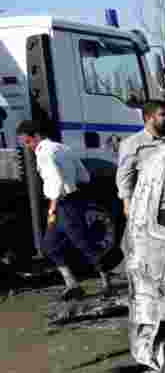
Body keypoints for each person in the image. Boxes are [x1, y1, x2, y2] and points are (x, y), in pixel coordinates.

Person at [17, 120, 111, 300]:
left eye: (28, 142)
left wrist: (52, 207)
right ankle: (72, 284)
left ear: (36, 137)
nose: (27, 147)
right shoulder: (63, 148)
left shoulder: (43, 153)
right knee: (50, 245)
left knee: (82, 243)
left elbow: (56, 182)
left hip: (63, 204)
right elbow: (84, 176)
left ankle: (106, 282)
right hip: (72, 201)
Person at [116, 100, 165, 220]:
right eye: (162, 114)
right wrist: (127, 205)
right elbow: (124, 177)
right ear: (149, 118)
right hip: (153, 208)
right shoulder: (132, 144)